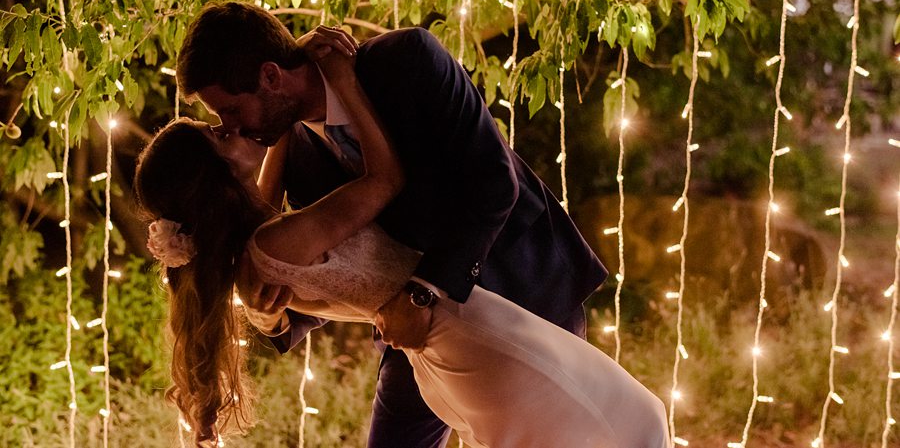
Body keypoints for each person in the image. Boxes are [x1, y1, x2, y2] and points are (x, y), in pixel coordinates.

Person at [135, 47, 670, 447]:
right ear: (216, 179)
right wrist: (275, 318)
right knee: (628, 422)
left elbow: (494, 185)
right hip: (447, 331)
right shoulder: (273, 231)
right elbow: (381, 183)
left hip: (503, 293)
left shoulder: (402, 64)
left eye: (226, 114)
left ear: (270, 78)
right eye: (220, 131)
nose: (230, 126)